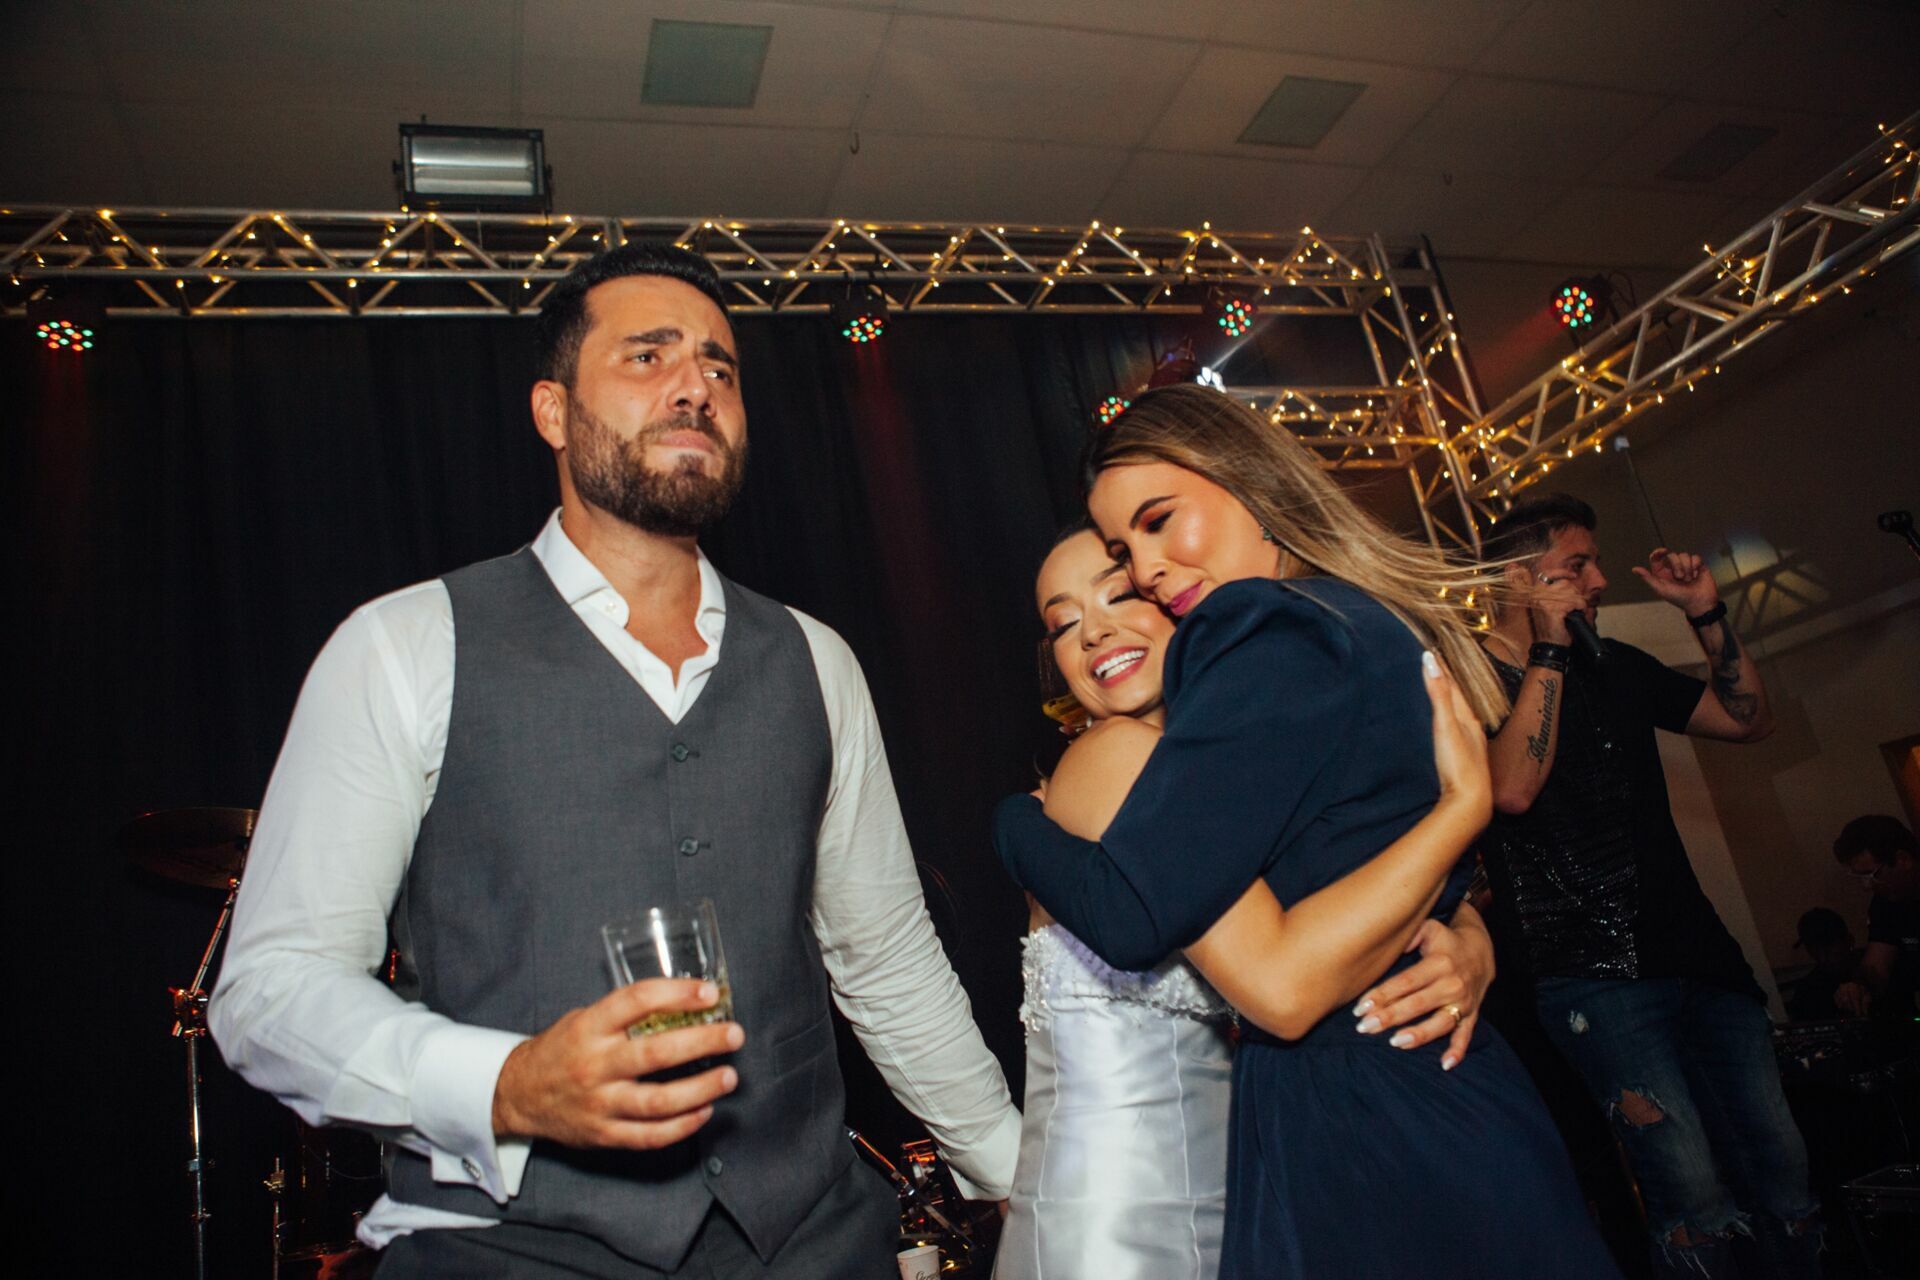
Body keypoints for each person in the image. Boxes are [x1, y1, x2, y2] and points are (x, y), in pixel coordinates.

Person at [209, 245, 1020, 1278]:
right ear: (553, 411)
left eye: (721, 368)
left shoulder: (819, 661)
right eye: (649, 355)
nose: (696, 385)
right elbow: (271, 988)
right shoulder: (404, 644)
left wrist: (1019, 1175)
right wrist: (504, 1082)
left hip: (813, 1240)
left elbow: (888, 957)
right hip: (507, 1247)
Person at [995, 385, 1620, 1280]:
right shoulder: (1313, 641)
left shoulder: (1260, 631)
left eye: (1138, 556)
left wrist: (1465, 931)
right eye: (1064, 622)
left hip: (1359, 1117)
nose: (1141, 583)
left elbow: (1281, 961)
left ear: (1245, 483)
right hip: (1207, 1174)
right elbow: (1322, 918)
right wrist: (1456, 853)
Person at [998, 526, 1502, 1280]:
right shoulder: (1115, 757)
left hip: (1246, 1167)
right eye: (1063, 622)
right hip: (1138, 1206)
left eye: (1119, 593)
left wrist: (1465, 931)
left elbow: (1331, 882)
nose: (1093, 629)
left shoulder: (1223, 769)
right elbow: (1284, 984)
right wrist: (1463, 811)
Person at [1475, 493, 1819, 1280]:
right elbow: (1513, 790)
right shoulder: (1468, 678)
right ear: (1519, 580)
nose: (1597, 580)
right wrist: (1550, 649)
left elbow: (1746, 720)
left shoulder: (1618, 664)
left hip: (1702, 957)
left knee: (1784, 1171)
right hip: (1592, 978)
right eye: (1576, 567)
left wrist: (1707, 614)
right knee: (1690, 1195)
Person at [1832, 813, 1920, 1020]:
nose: (1867, 886)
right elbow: (1876, 966)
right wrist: (1858, 987)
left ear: (1903, 859)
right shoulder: (1886, 903)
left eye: (1873, 874)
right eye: (1859, 877)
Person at [1784, 907, 1871, 1021]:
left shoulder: (1874, 966)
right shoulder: (1808, 990)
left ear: (1849, 940)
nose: (1822, 957)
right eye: (1813, 948)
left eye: (1827, 946)